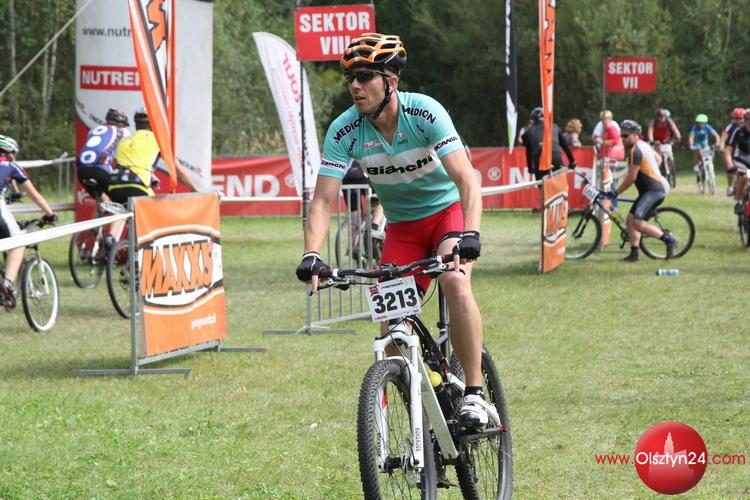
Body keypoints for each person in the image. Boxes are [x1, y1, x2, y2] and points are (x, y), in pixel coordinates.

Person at [295, 33, 488, 427]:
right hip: (403, 229)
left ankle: (474, 392)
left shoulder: (424, 113)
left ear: (391, 82)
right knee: (391, 335)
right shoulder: (345, 130)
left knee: (454, 281)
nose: (355, 85)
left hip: (446, 215)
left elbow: (466, 179)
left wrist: (470, 233)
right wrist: (312, 254)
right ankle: (430, 411)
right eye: (350, 77)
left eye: (365, 76)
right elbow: (323, 201)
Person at [107, 109, 198, 241]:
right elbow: (177, 170)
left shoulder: (124, 140)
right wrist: (195, 189)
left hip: (114, 185)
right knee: (155, 218)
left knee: (123, 211)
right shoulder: (158, 140)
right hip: (137, 185)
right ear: (153, 124)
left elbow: (128, 163)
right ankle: (140, 247)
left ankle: (112, 240)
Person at [0, 135, 57, 309]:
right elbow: (35, 196)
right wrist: (50, 214)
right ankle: (7, 286)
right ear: (9, 153)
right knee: (19, 243)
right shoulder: (11, 166)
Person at [613, 120, 678, 261]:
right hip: (650, 190)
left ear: (635, 135)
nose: (622, 139)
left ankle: (669, 240)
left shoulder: (635, 151)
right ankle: (634, 254)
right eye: (621, 136)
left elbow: (631, 178)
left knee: (638, 223)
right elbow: (658, 158)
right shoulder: (643, 145)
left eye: (625, 136)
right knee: (630, 220)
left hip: (653, 191)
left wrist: (615, 192)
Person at [76, 108, 130, 205]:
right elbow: (125, 155)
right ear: (119, 123)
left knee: (102, 201)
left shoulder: (93, 130)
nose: (124, 127)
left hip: (81, 171)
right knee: (123, 202)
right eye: (123, 124)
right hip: (100, 169)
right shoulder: (123, 132)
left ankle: (101, 209)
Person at [521, 107, 577, 180]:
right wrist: (572, 161)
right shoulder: (555, 127)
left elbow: (528, 152)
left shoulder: (528, 132)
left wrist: (530, 168)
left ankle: (542, 186)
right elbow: (565, 146)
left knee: (542, 184)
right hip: (556, 157)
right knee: (560, 183)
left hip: (539, 160)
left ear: (533, 119)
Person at [724, 110, 750, 215]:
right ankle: (738, 202)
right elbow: (728, 150)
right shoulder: (738, 131)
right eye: (748, 122)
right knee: (745, 176)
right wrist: (730, 164)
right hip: (740, 161)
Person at [720, 108, 746, 195]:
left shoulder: (747, 127)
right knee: (731, 169)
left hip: (743, 151)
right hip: (730, 150)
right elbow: (723, 139)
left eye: (740, 118)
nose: (738, 120)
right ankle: (730, 186)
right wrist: (721, 148)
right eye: (736, 118)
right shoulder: (730, 127)